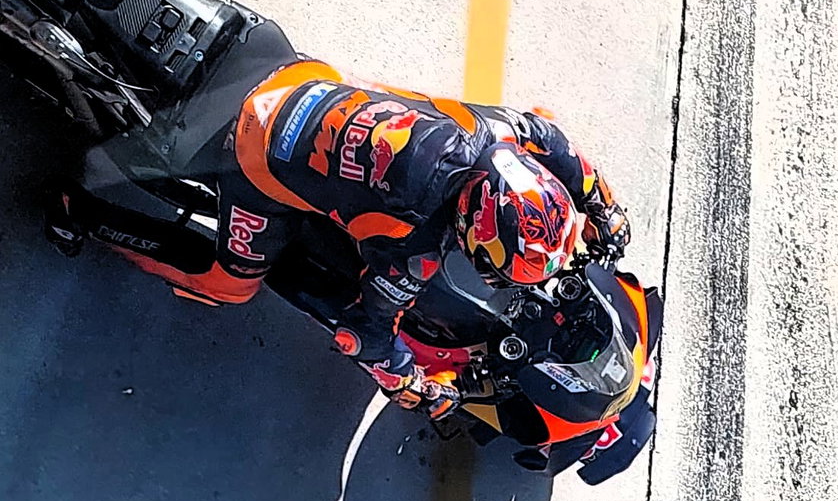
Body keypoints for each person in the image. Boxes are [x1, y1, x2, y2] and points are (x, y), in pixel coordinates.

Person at [146, 64, 630, 415]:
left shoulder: (500, 132)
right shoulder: (413, 245)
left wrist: (601, 207)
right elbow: (361, 335)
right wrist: (410, 386)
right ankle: (90, 218)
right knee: (228, 287)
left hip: (302, 81)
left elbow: (556, 139)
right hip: (256, 151)